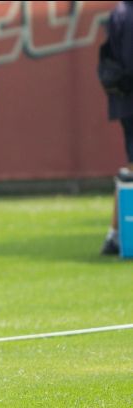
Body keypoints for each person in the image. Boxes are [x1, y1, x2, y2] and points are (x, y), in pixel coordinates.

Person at [100, 1, 133, 256]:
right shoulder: (126, 14)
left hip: (124, 100)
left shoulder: (119, 13)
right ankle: (115, 235)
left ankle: (114, 234)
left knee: (131, 167)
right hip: (130, 98)